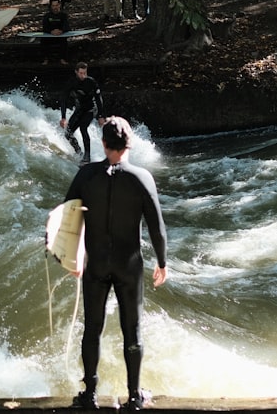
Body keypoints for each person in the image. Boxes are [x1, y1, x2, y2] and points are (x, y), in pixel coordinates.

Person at [64, 116, 167, 412]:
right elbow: (157, 227)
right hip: (129, 264)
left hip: (95, 263)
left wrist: (70, 257)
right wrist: (162, 262)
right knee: (132, 330)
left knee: (92, 328)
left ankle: (89, 395)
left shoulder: (86, 177)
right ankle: (134, 396)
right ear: (129, 143)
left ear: (103, 143)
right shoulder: (141, 178)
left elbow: (67, 215)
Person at [60, 62, 105, 164]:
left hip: (91, 109)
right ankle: (79, 152)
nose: (83, 75)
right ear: (76, 72)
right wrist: (63, 117)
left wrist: (101, 116)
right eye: (81, 73)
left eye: (85, 73)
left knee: (83, 127)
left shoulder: (91, 82)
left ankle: (87, 157)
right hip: (80, 109)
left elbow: (99, 99)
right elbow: (63, 99)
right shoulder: (72, 82)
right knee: (68, 133)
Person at [42, 0, 70, 65]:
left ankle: (62, 59)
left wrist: (61, 31)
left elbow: (67, 26)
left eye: (56, 5)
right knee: (43, 40)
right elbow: (45, 27)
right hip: (50, 36)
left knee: (64, 41)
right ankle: (46, 59)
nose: (55, 7)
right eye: (53, 6)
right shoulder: (47, 16)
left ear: (59, 5)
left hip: (60, 36)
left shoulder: (64, 15)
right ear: (51, 6)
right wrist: (51, 32)